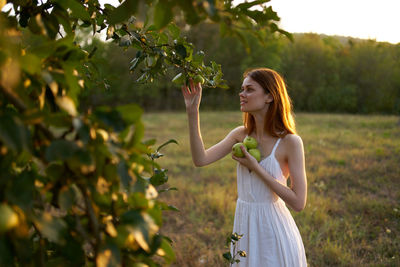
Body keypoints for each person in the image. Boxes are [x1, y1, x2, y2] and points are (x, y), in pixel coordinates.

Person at [181, 68, 307, 267]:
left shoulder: (290, 142)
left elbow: (299, 203)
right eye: (242, 89)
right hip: (244, 226)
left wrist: (255, 167)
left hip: (273, 229)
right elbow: (200, 159)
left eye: (249, 89)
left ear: (269, 96)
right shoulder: (240, 135)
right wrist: (192, 111)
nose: (241, 94)